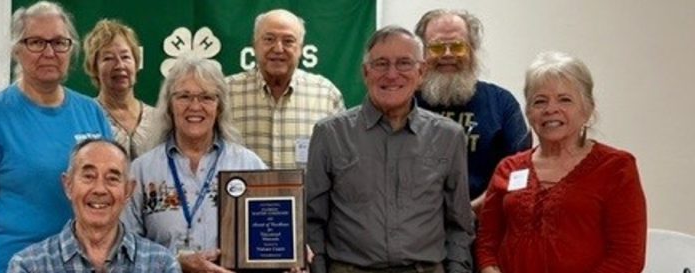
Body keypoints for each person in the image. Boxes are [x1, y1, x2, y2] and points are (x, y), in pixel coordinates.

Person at [0, 2, 113, 273]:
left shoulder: (91, 112)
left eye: (60, 42)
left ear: (71, 50)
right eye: (36, 42)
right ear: (17, 50)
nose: (49, 52)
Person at [305, 26, 473, 273]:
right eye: (381, 64)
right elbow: (312, 221)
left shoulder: (449, 136)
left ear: (421, 71)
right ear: (365, 72)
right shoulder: (330, 135)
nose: (392, 74)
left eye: (404, 63)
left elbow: (459, 224)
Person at [475, 52, 646, 273]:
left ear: (587, 110)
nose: (550, 109)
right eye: (540, 101)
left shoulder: (617, 168)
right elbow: (487, 242)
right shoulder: (509, 168)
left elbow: (627, 258)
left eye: (565, 99)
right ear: (528, 112)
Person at [123, 54, 267, 273]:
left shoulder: (249, 165)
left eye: (207, 97)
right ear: (169, 105)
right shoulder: (141, 171)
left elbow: (271, 234)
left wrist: (292, 250)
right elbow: (126, 250)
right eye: (184, 96)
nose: (195, 106)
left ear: (219, 107)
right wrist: (176, 264)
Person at [414, 9, 532, 211]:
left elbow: (519, 172)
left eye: (458, 46)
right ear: (422, 54)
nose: (448, 54)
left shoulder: (502, 103)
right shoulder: (404, 103)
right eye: (437, 47)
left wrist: (469, 212)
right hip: (413, 232)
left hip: (483, 228)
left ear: (472, 49)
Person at [7, 139, 180, 272]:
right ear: (68, 185)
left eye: (112, 178)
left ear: (128, 191)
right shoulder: (29, 266)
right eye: (89, 176)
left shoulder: (161, 264)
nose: (99, 189)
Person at [224, 9, 345, 169]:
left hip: (309, 195)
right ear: (254, 45)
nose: (278, 49)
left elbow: (343, 161)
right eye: (269, 39)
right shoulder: (226, 92)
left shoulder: (326, 95)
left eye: (288, 41)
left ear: (301, 48)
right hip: (239, 193)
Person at [84, 19, 158, 160]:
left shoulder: (159, 120)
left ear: (136, 63)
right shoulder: (86, 117)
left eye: (125, 57)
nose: (119, 65)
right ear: (94, 68)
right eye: (108, 58)